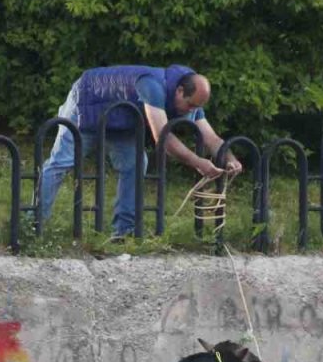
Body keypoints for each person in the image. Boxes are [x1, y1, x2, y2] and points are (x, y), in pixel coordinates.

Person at [38, 64, 243, 239]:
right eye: (190, 105)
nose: (191, 111)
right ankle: (33, 225)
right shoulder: (152, 86)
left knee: (136, 164)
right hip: (86, 103)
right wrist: (198, 162)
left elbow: (212, 138)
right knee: (61, 162)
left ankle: (123, 233)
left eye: (196, 108)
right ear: (180, 91)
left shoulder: (192, 99)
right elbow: (164, 139)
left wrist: (230, 159)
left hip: (120, 119)